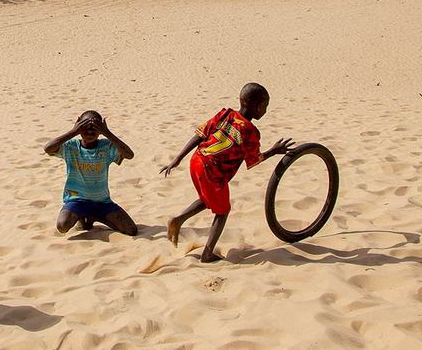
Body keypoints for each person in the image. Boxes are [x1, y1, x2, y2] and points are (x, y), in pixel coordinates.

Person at [160, 83, 294, 263]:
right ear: (257, 106)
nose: (266, 110)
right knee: (223, 211)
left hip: (197, 160)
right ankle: (207, 253)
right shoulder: (250, 131)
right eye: (265, 106)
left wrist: (178, 158)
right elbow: (254, 160)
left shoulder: (225, 114)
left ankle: (178, 220)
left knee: (209, 199)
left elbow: (200, 134)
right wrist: (274, 150)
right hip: (212, 171)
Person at [43, 111, 137, 236]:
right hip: (77, 201)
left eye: (95, 129)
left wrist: (107, 133)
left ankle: (94, 217)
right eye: (85, 128)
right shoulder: (71, 147)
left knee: (131, 230)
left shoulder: (106, 147)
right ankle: (83, 217)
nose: (90, 132)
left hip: (103, 202)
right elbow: (48, 148)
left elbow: (129, 155)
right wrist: (74, 131)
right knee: (62, 225)